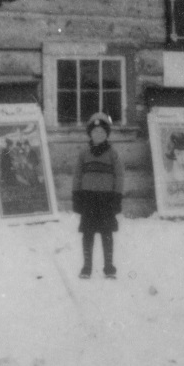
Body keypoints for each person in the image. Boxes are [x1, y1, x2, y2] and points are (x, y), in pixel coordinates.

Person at [71, 112, 124, 279]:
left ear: (107, 134)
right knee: (88, 233)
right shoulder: (84, 153)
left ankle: (109, 266)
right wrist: (76, 196)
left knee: (106, 233)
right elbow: (77, 176)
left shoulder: (112, 154)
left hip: (106, 200)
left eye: (102, 132)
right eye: (95, 132)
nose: (98, 135)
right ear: (90, 134)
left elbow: (119, 176)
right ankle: (87, 266)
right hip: (88, 199)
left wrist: (117, 197)